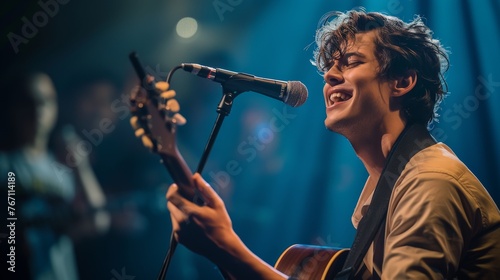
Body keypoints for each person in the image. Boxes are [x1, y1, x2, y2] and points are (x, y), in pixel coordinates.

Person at [159, 9, 500, 279]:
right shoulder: (386, 188)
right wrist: (221, 249)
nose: (329, 75)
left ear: (403, 81)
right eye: (329, 66)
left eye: (350, 62)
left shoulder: (430, 180)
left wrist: (226, 247)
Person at [0, 70, 110, 279]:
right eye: (29, 102)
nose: (38, 110)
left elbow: (98, 221)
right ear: (13, 109)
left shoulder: (61, 170)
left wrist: (82, 168)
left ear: (56, 107)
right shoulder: (5, 166)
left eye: (46, 101)